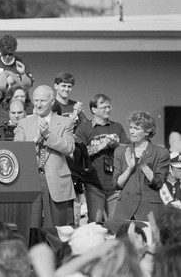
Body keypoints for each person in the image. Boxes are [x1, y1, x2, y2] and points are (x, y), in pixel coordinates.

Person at [14, 85, 75, 228]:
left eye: (42, 101)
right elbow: (17, 150)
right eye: (36, 100)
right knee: (30, 227)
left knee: (56, 229)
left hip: (56, 180)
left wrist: (48, 135)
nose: (38, 104)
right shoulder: (24, 123)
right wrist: (37, 138)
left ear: (52, 102)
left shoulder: (65, 122)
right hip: (31, 179)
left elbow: (69, 147)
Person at [74, 94, 129, 222]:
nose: (108, 110)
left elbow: (128, 148)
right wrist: (102, 145)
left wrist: (116, 145)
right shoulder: (84, 128)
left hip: (115, 184)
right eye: (104, 107)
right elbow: (79, 152)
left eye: (109, 107)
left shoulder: (117, 127)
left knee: (117, 224)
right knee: (95, 224)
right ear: (94, 110)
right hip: (94, 184)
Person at [113, 111, 170, 220]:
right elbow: (116, 184)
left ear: (147, 131)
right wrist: (129, 168)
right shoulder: (120, 151)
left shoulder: (161, 152)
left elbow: (158, 183)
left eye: (136, 128)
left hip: (148, 210)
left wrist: (143, 166)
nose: (132, 132)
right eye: (131, 127)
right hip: (125, 209)